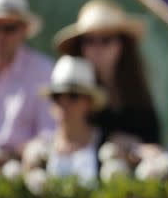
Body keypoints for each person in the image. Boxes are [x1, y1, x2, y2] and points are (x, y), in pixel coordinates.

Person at [53, 0, 160, 149]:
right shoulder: (72, 86)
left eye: (106, 39)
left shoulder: (137, 90)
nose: (98, 48)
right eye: (89, 40)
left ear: (122, 44)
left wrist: (135, 148)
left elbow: (153, 140)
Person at [23, 55, 106, 184]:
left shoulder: (107, 145)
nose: (63, 102)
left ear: (89, 102)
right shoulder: (38, 150)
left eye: (73, 96)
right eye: (57, 96)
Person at [0, 0, 54, 159]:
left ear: (24, 30)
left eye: (9, 28)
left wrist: (12, 154)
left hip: (22, 172)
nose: (1, 36)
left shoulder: (44, 71)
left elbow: (50, 136)